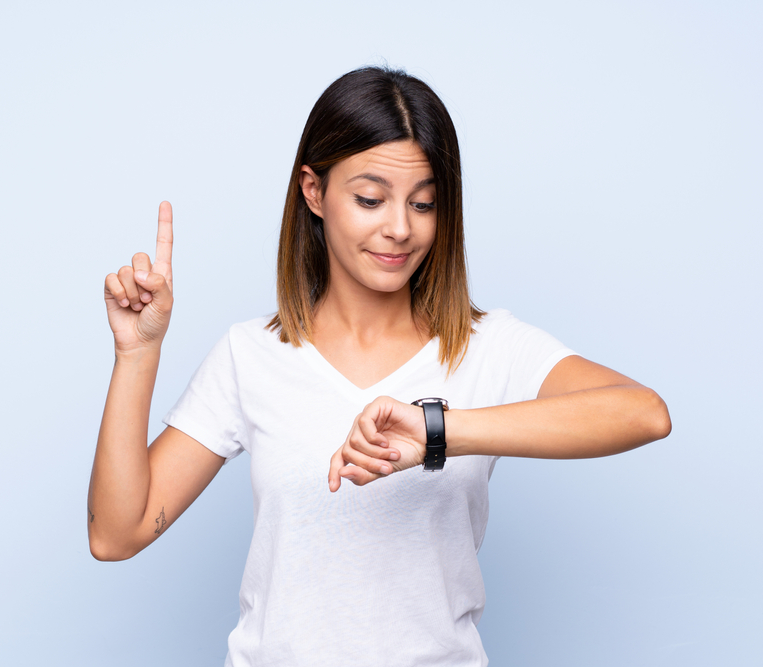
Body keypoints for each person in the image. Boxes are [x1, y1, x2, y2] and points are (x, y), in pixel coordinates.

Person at [87, 66, 671, 666]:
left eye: (424, 204)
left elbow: (645, 414)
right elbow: (115, 533)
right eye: (370, 199)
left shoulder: (488, 346)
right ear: (313, 191)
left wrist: (441, 430)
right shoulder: (251, 354)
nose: (399, 228)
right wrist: (137, 353)